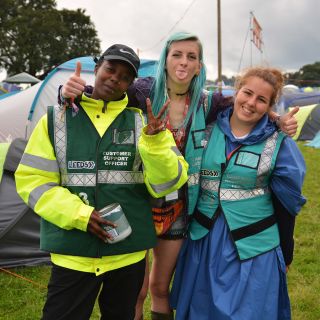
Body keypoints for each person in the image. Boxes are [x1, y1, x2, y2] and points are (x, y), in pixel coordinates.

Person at [59, 32, 299, 320]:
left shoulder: (207, 103)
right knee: (136, 290)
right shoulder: (141, 91)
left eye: (192, 56)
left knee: (160, 287)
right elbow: (106, 92)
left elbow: (248, 106)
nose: (184, 62)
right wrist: (69, 91)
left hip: (178, 205)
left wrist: (277, 119)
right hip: (135, 199)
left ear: (199, 65)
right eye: (177, 54)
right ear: (165, 60)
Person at [15, 44, 189, 320]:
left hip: (127, 257)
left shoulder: (146, 126)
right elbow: (33, 181)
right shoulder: (56, 119)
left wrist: (155, 144)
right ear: (97, 69)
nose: (114, 78)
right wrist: (80, 215)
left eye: (124, 76)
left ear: (131, 84)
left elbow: (169, 183)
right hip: (73, 255)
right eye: (110, 69)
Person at [170, 66, 306, 320]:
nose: (251, 103)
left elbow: (287, 205)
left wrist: (286, 250)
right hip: (204, 242)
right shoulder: (205, 129)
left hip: (253, 249)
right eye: (247, 93)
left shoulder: (279, 144)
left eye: (262, 100)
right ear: (237, 91)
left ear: (270, 106)